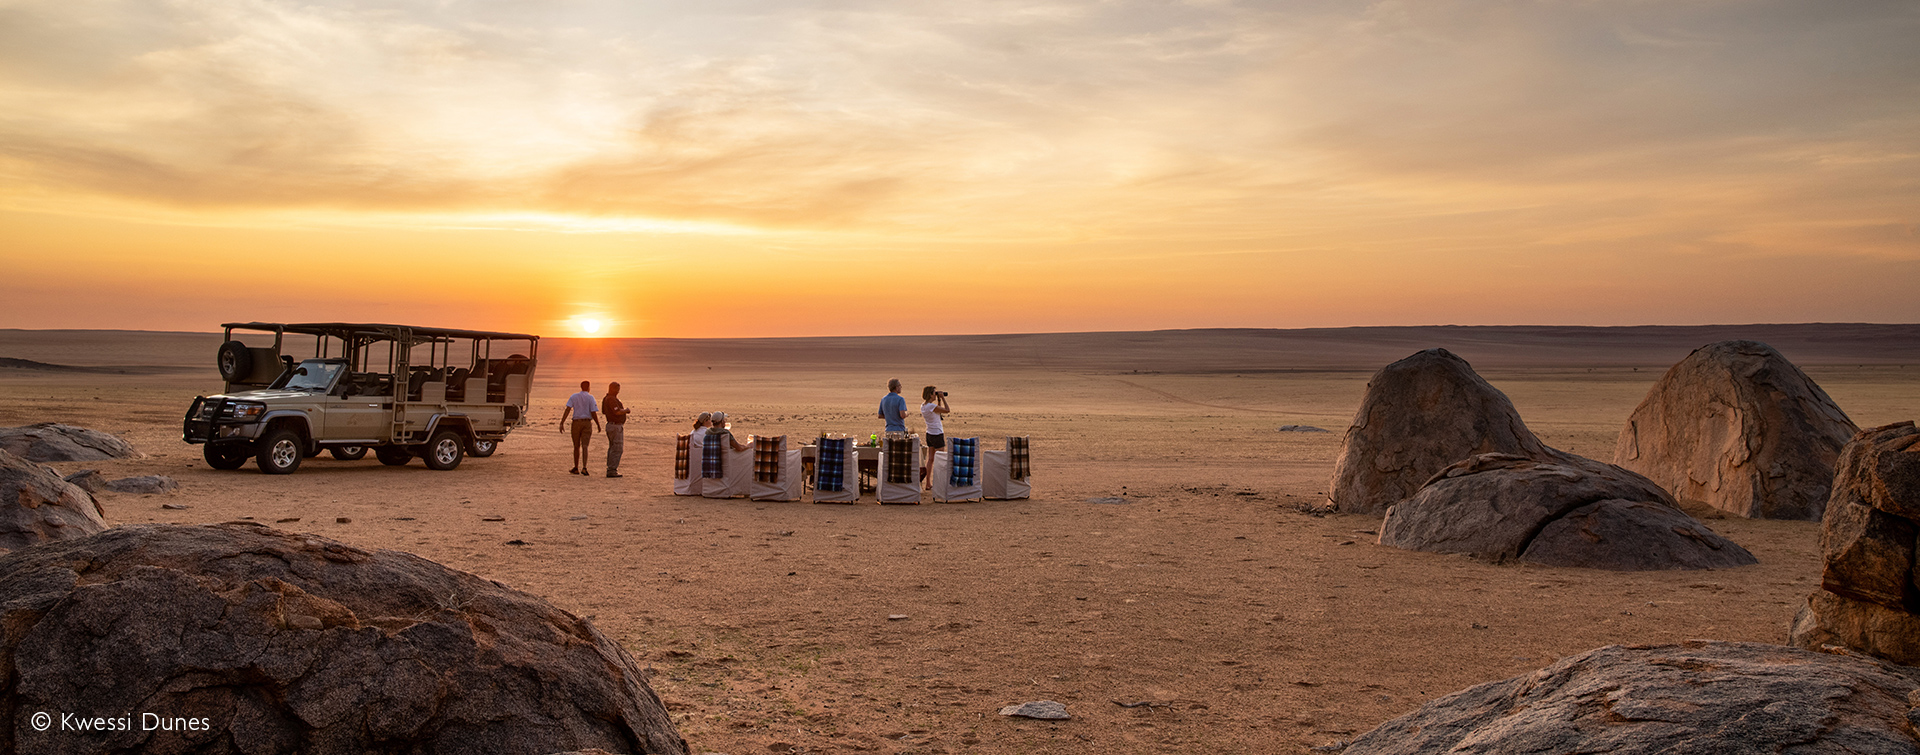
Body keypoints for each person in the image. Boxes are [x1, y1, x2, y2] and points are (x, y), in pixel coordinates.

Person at [556, 380, 600, 476]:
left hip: (576, 423)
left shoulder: (574, 396)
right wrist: (598, 424)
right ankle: (584, 467)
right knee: (585, 446)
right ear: (588, 387)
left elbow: (568, 409)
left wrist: (562, 422)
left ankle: (576, 467)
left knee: (576, 446)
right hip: (587, 422)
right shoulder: (590, 397)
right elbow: (593, 412)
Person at [920, 386, 950, 489]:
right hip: (937, 434)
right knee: (941, 459)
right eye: (934, 393)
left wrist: (939, 400)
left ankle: (928, 483)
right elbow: (947, 410)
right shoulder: (930, 406)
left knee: (931, 459)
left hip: (929, 434)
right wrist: (943, 398)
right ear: (930, 395)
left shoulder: (923, 406)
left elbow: (938, 411)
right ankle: (939, 483)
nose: (935, 394)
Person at [602, 382, 630, 478]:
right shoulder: (611, 399)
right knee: (617, 448)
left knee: (613, 447)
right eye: (617, 389)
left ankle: (611, 468)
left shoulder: (607, 398)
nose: (618, 391)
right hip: (615, 426)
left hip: (611, 425)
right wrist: (626, 410)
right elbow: (617, 411)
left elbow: (604, 411)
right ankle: (612, 470)